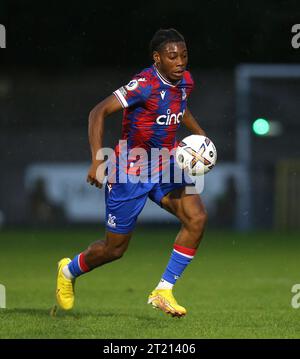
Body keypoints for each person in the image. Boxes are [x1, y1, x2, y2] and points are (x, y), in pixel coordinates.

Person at [56, 28, 208, 317]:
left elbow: (181, 107)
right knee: (114, 250)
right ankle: (68, 270)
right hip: (131, 171)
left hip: (166, 165)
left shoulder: (185, 81)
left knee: (197, 218)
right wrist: (96, 160)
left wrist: (201, 136)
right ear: (157, 58)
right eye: (172, 56)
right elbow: (97, 112)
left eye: (184, 55)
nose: (180, 62)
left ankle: (163, 290)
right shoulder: (144, 85)